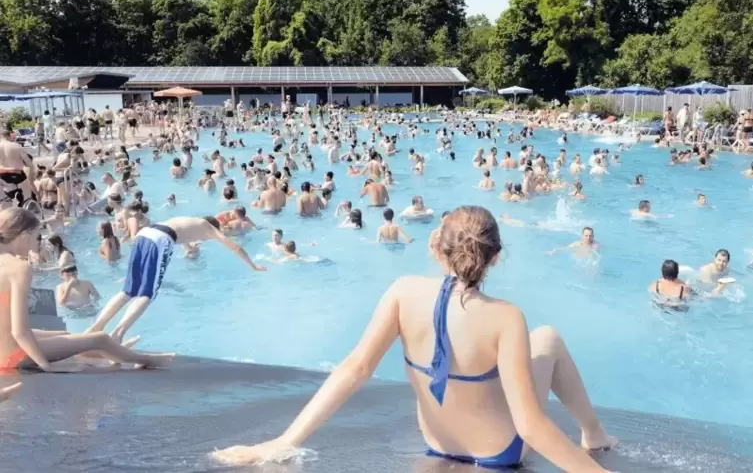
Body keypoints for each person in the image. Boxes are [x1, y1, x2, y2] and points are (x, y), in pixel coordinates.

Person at [212, 206, 616, 471]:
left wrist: (282, 442)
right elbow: (530, 425)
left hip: (436, 442)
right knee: (547, 338)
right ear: (495, 257)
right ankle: (593, 434)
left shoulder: (403, 291)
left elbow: (354, 369)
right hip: (497, 452)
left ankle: (594, 433)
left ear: (437, 248)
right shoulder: (507, 317)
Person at [0, 208, 174, 370]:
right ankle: (147, 361)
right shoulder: (19, 268)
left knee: (64, 334)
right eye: (37, 237)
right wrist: (45, 366)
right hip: (12, 355)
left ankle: (107, 354)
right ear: (24, 235)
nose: (35, 246)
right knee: (100, 338)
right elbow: (20, 332)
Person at [86, 216, 266, 343]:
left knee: (127, 291)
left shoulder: (190, 222)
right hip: (160, 239)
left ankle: (96, 328)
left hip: (145, 234)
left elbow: (180, 236)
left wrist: (189, 248)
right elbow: (234, 247)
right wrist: (253, 266)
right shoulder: (210, 228)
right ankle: (118, 334)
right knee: (147, 294)